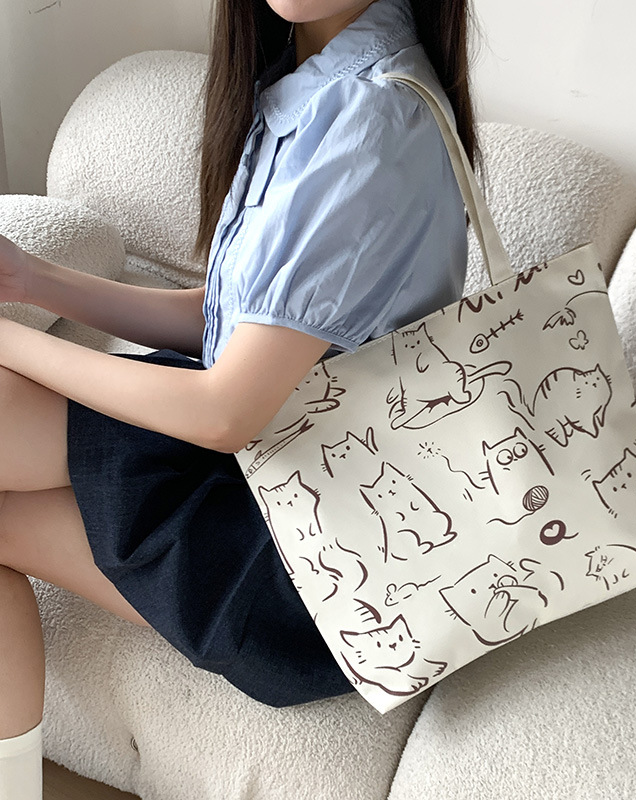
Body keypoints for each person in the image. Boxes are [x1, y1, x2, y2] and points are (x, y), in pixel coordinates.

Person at [0, 0, 478, 795]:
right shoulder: (310, 83)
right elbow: (230, 323)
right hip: (268, 464)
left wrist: (12, 341)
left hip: (320, 561)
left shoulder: (372, 116)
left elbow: (226, 410)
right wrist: (31, 280)